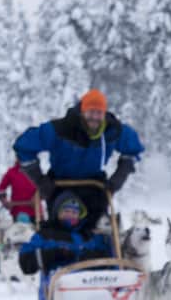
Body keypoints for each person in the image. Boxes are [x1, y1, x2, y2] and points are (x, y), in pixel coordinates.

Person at [13, 89, 144, 275]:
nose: (94, 117)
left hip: (94, 188)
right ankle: (56, 268)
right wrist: (40, 181)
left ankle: (103, 272)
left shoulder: (113, 130)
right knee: (58, 230)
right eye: (90, 112)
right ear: (82, 111)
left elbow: (133, 149)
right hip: (59, 187)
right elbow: (23, 146)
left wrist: (117, 179)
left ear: (104, 114)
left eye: (98, 113)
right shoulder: (60, 129)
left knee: (97, 233)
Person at [0, 156, 42, 223]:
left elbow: (43, 188)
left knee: (36, 231)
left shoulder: (36, 171)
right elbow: (1, 188)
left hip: (35, 210)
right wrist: (4, 200)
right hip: (18, 211)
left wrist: (37, 197)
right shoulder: (11, 172)